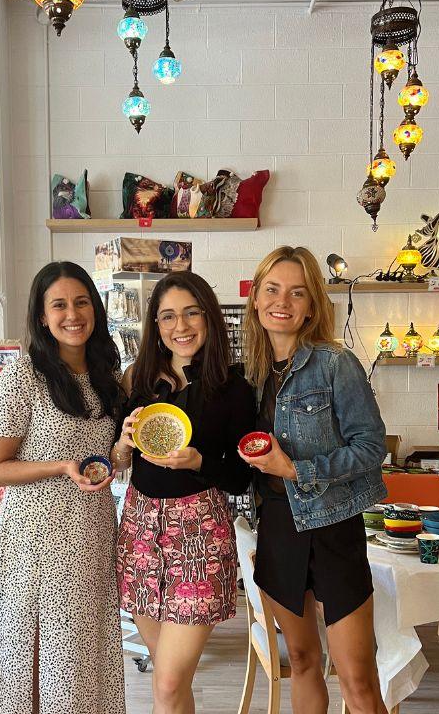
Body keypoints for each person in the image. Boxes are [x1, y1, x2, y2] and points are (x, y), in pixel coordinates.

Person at [238, 246, 388, 714]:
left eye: (297, 292)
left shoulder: (334, 363)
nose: (283, 301)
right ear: (257, 301)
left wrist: (296, 469)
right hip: (279, 527)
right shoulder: (252, 375)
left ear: (311, 306)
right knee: (301, 660)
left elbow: (371, 447)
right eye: (273, 290)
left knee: (357, 680)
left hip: (333, 526)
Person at [0, 261, 126, 714]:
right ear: (42, 316)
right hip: (37, 542)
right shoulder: (23, 375)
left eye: (81, 302)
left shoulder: (108, 374)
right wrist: (60, 466)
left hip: (92, 533)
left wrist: (125, 449)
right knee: (43, 660)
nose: (72, 314)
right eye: (59, 304)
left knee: (84, 659)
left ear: (96, 309)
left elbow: (108, 459)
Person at [112, 271, 255, 714]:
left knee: (169, 681)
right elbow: (117, 462)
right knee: (168, 679)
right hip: (138, 533)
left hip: (200, 537)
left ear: (210, 317)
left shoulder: (233, 388)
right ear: (155, 325)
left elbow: (242, 478)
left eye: (192, 313)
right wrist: (121, 443)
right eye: (168, 316)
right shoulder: (137, 380)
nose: (181, 326)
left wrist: (199, 462)